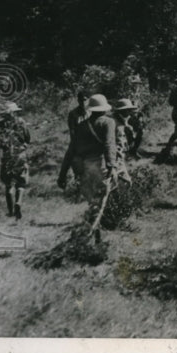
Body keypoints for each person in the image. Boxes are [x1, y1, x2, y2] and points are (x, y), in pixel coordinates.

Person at [57, 94, 118, 242]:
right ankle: (97, 230)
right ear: (104, 109)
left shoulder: (81, 126)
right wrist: (112, 166)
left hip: (84, 168)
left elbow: (71, 151)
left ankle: (96, 232)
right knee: (104, 199)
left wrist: (62, 174)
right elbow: (109, 144)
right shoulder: (108, 122)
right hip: (101, 166)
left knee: (93, 202)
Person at [0, 101, 31, 220]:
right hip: (20, 155)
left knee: (8, 183)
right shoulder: (21, 122)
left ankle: (10, 211)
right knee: (21, 182)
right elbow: (27, 138)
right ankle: (19, 202)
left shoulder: (0, 125)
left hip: (7, 156)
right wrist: (24, 145)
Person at [111, 99, 136, 185]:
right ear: (122, 110)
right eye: (128, 110)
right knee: (126, 181)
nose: (130, 112)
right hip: (114, 156)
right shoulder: (113, 123)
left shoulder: (123, 120)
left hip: (120, 155)